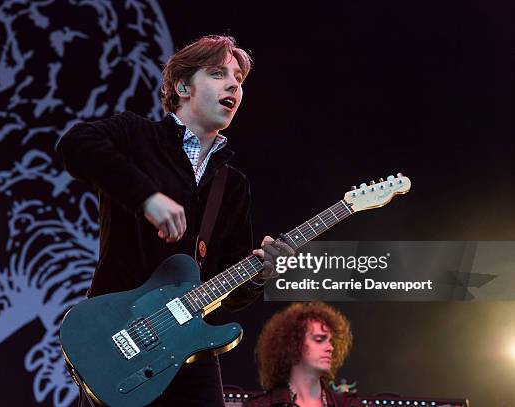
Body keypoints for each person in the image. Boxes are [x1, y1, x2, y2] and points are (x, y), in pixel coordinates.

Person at [56, 35, 294, 406]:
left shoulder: (231, 184)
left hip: (189, 350)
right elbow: (74, 145)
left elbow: (228, 287)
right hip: (119, 339)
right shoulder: (136, 136)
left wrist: (259, 275)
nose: (233, 84)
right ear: (182, 86)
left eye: (238, 79)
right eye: (218, 74)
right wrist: (146, 198)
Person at [246, 302, 362, 407]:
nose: (330, 348)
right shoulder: (260, 405)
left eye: (331, 341)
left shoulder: (349, 405)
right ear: (293, 344)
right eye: (319, 339)